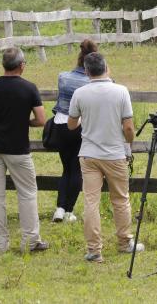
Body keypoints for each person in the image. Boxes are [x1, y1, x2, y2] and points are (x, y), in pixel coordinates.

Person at [0, 47, 49, 253]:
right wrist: (24, 121)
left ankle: (0, 243)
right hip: (19, 150)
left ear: (4, 65)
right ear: (21, 65)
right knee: (27, 194)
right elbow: (41, 120)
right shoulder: (29, 88)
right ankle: (30, 241)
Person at [67, 52, 140, 263]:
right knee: (120, 199)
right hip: (115, 153)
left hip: (89, 153)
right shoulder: (121, 91)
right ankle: (125, 242)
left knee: (91, 201)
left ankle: (94, 249)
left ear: (86, 71)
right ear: (106, 67)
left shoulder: (80, 93)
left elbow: (71, 124)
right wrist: (129, 141)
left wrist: (85, 121)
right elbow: (128, 126)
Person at [51, 39, 98, 223]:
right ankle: (69, 211)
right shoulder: (91, 82)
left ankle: (59, 209)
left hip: (61, 125)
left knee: (66, 169)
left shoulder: (63, 77)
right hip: (81, 127)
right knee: (76, 169)